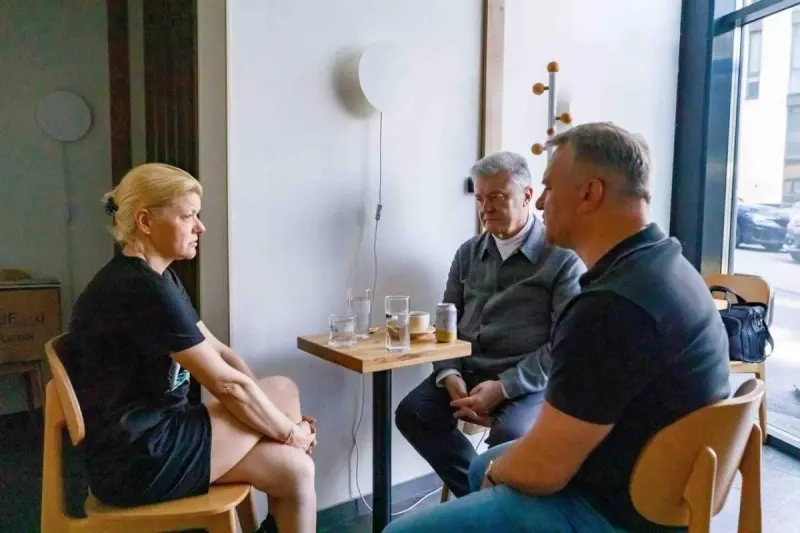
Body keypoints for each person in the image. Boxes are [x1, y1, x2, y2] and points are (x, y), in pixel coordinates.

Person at [384, 123, 731, 533]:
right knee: (474, 464)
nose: (542, 202)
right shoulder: (665, 265)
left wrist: (497, 477)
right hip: (646, 483)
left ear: (590, 193)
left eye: (548, 187)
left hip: (614, 510)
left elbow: (545, 469)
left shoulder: (610, 306)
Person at [62, 163, 317, 533]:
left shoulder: (159, 277)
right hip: (136, 458)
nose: (200, 227)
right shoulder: (140, 289)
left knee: (292, 454)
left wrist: (276, 427)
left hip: (159, 431)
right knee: (290, 437)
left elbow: (221, 353)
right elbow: (226, 385)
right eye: (188, 216)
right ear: (145, 221)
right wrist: (290, 433)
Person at [394, 151, 585, 497]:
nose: (485, 208)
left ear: (527, 196)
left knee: (509, 436)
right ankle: (481, 497)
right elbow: (446, 326)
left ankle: (491, 501)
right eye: (480, 198)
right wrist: (449, 374)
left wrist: (503, 387)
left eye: (496, 197)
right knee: (413, 413)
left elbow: (564, 346)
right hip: (467, 372)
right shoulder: (467, 253)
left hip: (528, 382)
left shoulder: (563, 259)